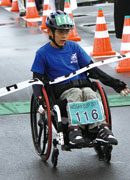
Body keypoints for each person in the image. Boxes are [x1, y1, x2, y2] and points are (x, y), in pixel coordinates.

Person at [31, 10, 130, 147]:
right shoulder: (42, 53)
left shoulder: (74, 47)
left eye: (67, 32)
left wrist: (114, 83)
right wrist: (39, 99)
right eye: (60, 32)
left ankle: (100, 128)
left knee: (90, 93)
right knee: (75, 93)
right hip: (63, 89)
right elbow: (36, 80)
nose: (64, 36)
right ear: (50, 32)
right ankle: (74, 130)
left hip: (83, 84)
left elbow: (92, 70)